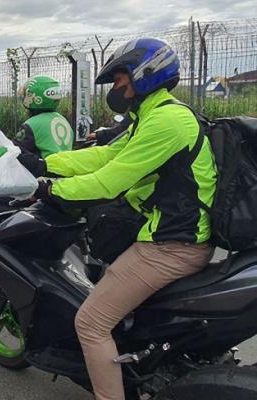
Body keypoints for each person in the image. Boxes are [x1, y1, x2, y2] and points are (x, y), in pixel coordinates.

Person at [26, 38, 216, 400]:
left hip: (172, 245)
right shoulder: (154, 115)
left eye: (119, 78)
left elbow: (108, 182)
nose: (116, 87)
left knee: (91, 323)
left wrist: (50, 190)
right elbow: (102, 157)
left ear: (145, 74)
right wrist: (43, 164)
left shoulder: (167, 122)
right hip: (170, 235)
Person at [0, 75, 73, 163]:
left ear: (36, 98)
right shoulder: (64, 121)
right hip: (63, 172)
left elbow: (14, 150)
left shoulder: (32, 124)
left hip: (44, 175)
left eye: (27, 95)